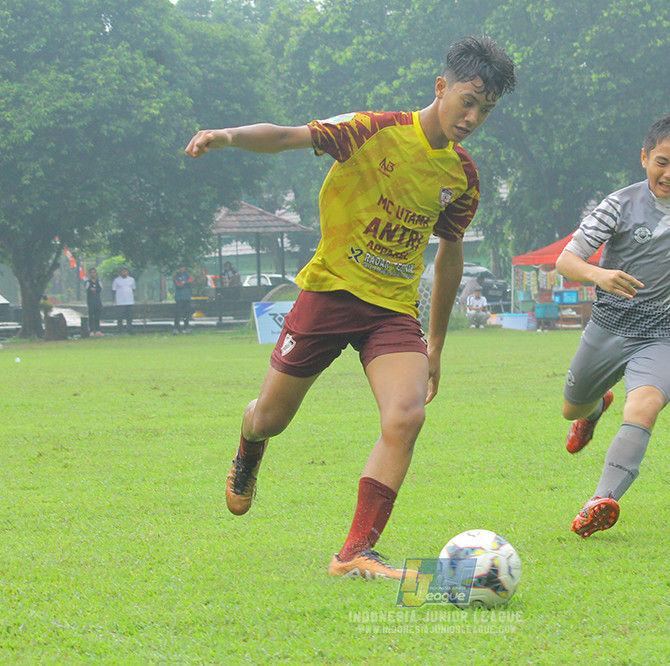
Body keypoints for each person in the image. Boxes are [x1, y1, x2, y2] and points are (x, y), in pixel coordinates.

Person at [184, 35, 517, 580]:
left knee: (407, 415)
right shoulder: (374, 129)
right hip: (329, 293)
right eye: (468, 101)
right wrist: (225, 136)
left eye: (486, 110)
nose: (473, 117)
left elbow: (450, 254)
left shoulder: (463, 176)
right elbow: (289, 136)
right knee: (271, 417)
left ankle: (355, 552)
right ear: (441, 87)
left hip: (391, 311)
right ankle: (249, 445)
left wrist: (435, 343)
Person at [556, 113, 670, 539]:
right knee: (572, 408)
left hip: (664, 331)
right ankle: (595, 408)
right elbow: (566, 260)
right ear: (644, 158)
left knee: (644, 407)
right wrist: (600, 275)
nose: (669, 173)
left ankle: (600, 500)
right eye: (661, 161)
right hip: (608, 326)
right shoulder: (618, 205)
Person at [112, 266, 136, 334]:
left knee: (129, 317)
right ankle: (120, 330)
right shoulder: (116, 280)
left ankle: (130, 330)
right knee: (120, 317)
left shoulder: (131, 279)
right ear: (121, 272)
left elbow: (133, 289)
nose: (124, 272)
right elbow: (114, 290)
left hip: (129, 301)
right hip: (120, 302)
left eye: (126, 271)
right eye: (123, 271)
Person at [173, 264, 194, 333]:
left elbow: (191, 282)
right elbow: (178, 284)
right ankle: (176, 328)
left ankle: (186, 327)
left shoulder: (188, 276)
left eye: (183, 267)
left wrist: (184, 282)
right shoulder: (176, 276)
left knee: (186, 313)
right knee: (177, 313)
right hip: (179, 298)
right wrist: (185, 283)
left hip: (187, 297)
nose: (182, 269)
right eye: (180, 268)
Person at [85, 267, 103, 336]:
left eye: (94, 272)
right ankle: (91, 330)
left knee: (97, 316)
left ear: (96, 273)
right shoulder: (88, 282)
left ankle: (98, 330)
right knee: (91, 316)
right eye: (91, 272)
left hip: (97, 301)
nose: (93, 274)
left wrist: (96, 290)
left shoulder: (99, 281)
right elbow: (87, 290)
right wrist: (91, 290)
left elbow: (100, 289)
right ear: (89, 274)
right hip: (90, 301)